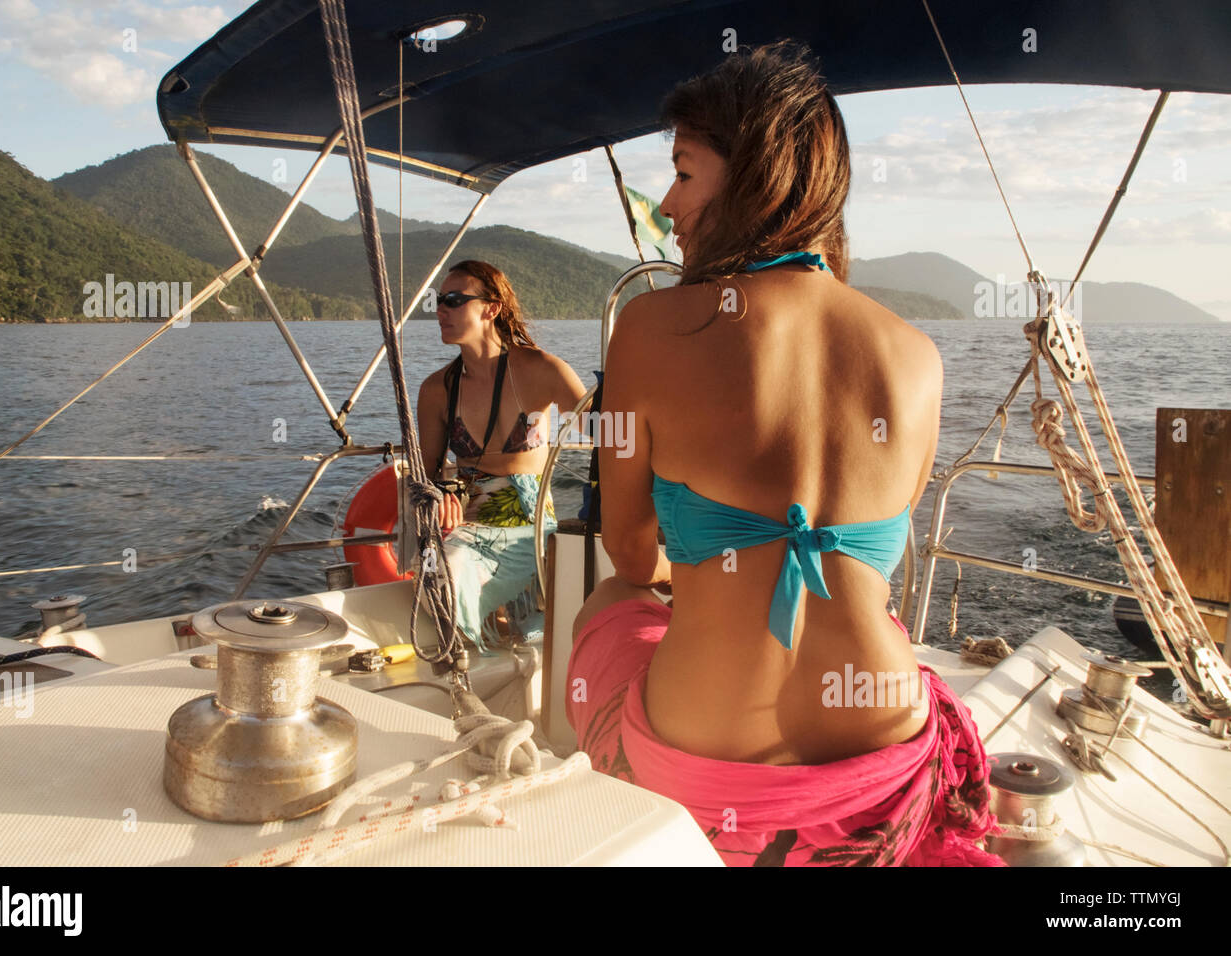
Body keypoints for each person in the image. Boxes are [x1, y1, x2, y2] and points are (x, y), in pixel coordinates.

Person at [566, 43, 1002, 866]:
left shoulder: (654, 328)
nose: (667, 204)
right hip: (881, 767)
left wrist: (704, 565)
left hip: (705, 773)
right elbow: (877, 557)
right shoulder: (916, 355)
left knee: (606, 610)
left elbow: (628, 553)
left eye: (685, 174)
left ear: (752, 179)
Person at [417, 260, 587, 650]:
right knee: (440, 577)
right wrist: (439, 491)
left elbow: (606, 430)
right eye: (439, 301)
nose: (440, 309)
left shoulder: (540, 369)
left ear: (490, 308)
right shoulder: (436, 390)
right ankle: (473, 657)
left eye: (454, 300)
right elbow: (427, 474)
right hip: (473, 531)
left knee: (534, 623)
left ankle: (516, 633)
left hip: (533, 530)